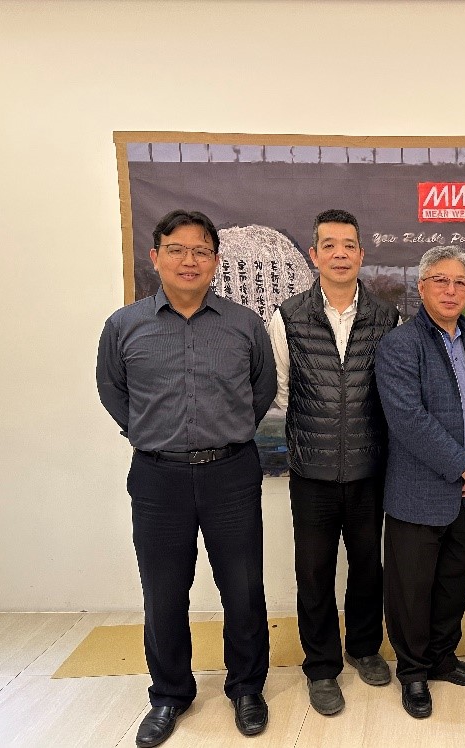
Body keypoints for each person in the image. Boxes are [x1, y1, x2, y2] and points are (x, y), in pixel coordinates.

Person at [96, 210, 276, 746]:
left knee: (243, 588)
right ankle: (170, 694)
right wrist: (154, 434)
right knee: (164, 592)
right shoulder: (124, 326)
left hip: (231, 473)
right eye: (176, 249)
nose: (188, 260)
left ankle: (247, 688)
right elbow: (113, 392)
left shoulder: (244, 324)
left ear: (215, 261)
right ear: (156, 257)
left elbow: (262, 389)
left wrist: (227, 432)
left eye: (201, 251)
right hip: (158, 477)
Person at [267, 209, 399, 715]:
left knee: (368, 566)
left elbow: (394, 391)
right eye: (329, 245)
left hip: (369, 468)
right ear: (314, 254)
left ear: (361, 254)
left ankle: (363, 648)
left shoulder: (387, 316)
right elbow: (281, 391)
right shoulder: (288, 316)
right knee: (315, 571)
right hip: (312, 472)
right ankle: (321, 667)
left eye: (349, 245)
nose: (339, 254)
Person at [375, 245, 465, 719]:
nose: (451, 290)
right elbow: (407, 418)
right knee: (410, 590)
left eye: (460, 282)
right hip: (417, 491)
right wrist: (462, 464)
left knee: (453, 582)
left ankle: (443, 658)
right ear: (421, 286)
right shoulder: (400, 345)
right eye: (440, 281)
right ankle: (412, 672)